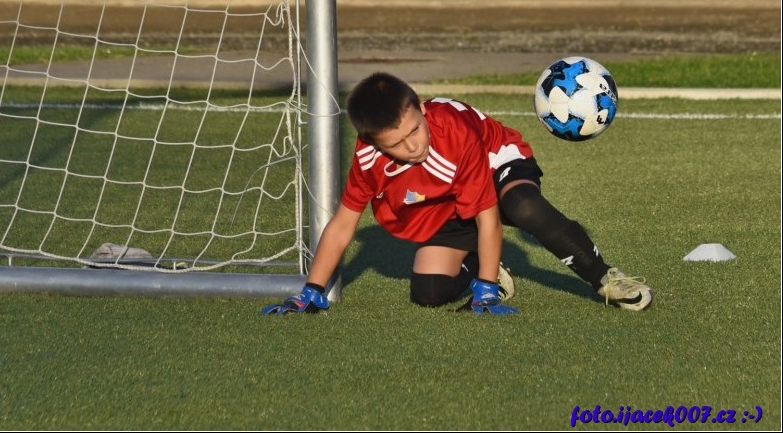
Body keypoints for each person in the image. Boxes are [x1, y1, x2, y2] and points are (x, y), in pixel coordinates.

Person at [262, 72, 652, 316]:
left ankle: (605, 278)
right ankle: (492, 270)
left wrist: (484, 295)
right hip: (447, 200)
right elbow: (344, 224)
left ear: (419, 107)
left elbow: (487, 216)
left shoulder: (453, 134)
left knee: (523, 206)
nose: (413, 146)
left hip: (497, 165)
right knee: (429, 292)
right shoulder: (367, 159)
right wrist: (311, 291)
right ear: (373, 143)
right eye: (397, 144)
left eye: (415, 130)